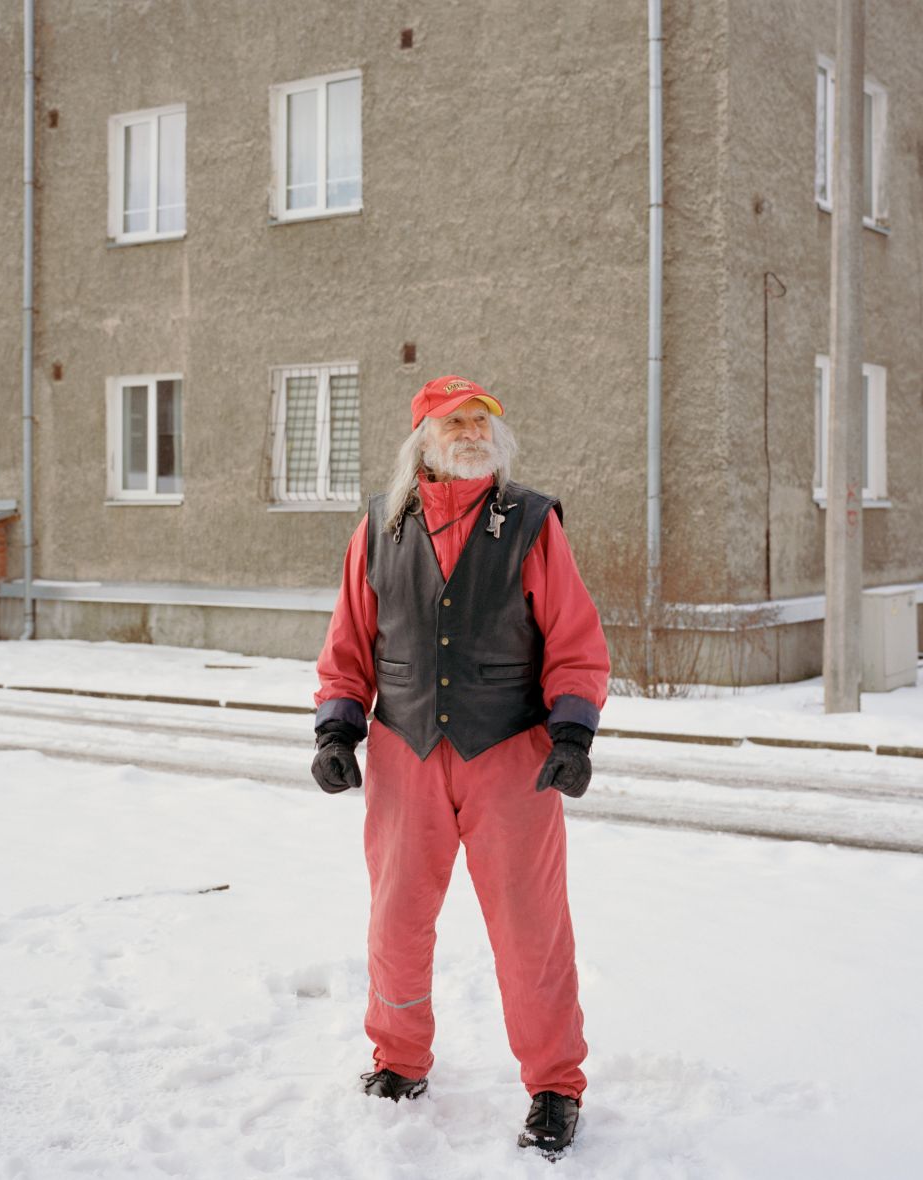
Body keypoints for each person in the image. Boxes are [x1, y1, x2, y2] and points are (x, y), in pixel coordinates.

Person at [312, 374, 609, 1155]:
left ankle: (553, 1084)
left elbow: (575, 644)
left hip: (512, 753)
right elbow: (347, 646)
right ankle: (399, 1060)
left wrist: (573, 735)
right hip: (406, 751)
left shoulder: (533, 522)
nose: (473, 431)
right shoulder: (380, 526)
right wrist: (337, 730)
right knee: (397, 920)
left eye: (483, 420)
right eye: (457, 421)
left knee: (531, 928)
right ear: (425, 440)